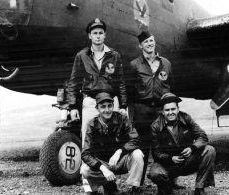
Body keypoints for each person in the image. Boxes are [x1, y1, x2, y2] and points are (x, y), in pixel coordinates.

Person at [127, 31, 180, 186]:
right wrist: (132, 117)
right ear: (140, 45)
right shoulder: (134, 65)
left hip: (161, 111)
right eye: (145, 42)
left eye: (151, 41)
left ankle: (169, 181)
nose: (149, 44)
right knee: (142, 148)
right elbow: (130, 92)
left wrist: (172, 109)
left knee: (166, 145)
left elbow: (172, 88)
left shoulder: (166, 63)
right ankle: (137, 183)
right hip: (142, 110)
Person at [68, 18, 127, 146]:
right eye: (95, 33)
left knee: (113, 139)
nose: (98, 36)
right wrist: (72, 107)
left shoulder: (114, 55)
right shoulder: (82, 56)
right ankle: (87, 166)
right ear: (90, 36)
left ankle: (112, 166)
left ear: (105, 35)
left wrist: (123, 106)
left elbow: (120, 82)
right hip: (90, 102)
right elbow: (74, 82)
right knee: (88, 138)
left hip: (110, 103)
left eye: (101, 33)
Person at [148, 93, 216, 195]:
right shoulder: (155, 126)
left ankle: (199, 188)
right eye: (167, 110)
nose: (170, 112)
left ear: (178, 109)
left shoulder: (186, 118)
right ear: (162, 111)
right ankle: (166, 187)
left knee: (209, 150)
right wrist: (170, 158)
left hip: (187, 161)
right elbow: (156, 153)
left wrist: (192, 148)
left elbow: (202, 136)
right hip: (168, 164)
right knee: (155, 173)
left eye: (173, 109)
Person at [80, 92, 144, 195]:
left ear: (113, 106)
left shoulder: (122, 119)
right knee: (85, 169)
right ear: (97, 108)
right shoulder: (92, 125)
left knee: (138, 154)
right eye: (103, 107)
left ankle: (134, 187)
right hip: (103, 163)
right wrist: (103, 168)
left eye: (110, 106)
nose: (107, 110)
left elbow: (136, 138)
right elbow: (85, 153)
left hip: (121, 160)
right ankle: (106, 186)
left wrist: (120, 151)